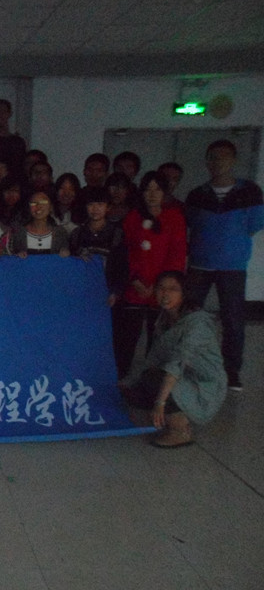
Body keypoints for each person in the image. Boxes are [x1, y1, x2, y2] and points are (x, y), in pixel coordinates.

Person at [185, 139, 264, 391]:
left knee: (233, 320)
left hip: (233, 266)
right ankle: (186, 366)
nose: (218, 161)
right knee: (189, 317)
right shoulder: (197, 194)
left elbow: (254, 226)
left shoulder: (250, 191)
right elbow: (191, 224)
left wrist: (231, 246)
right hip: (199, 264)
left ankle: (231, 372)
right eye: (213, 156)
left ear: (234, 160)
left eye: (224, 156)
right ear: (207, 161)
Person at [121, 271, 226, 448]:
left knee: (154, 379)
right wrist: (126, 383)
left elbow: (176, 364)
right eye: (161, 288)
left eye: (173, 289)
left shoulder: (197, 323)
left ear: (185, 293)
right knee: (134, 392)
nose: (165, 294)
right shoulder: (165, 319)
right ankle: (170, 413)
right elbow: (154, 358)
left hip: (203, 385)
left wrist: (160, 402)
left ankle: (180, 429)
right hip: (182, 377)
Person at [115, 171, 187, 379]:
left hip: (162, 289)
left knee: (158, 338)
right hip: (135, 286)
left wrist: (159, 286)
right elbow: (126, 253)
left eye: (157, 189)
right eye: (148, 189)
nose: (152, 194)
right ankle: (120, 377)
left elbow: (177, 255)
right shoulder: (133, 217)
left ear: (165, 192)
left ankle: (151, 378)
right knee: (127, 336)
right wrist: (135, 279)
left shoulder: (175, 217)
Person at [69, 186, 127, 306]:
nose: (95, 209)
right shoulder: (77, 234)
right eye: (91, 204)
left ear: (108, 207)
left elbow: (122, 266)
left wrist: (115, 292)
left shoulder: (117, 234)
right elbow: (70, 265)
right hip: (81, 291)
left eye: (100, 204)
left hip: (107, 292)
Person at [9, 190, 70, 257]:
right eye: (33, 203)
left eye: (43, 202)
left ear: (51, 207)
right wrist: (17, 256)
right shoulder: (18, 232)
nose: (38, 206)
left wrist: (65, 253)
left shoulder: (61, 233)